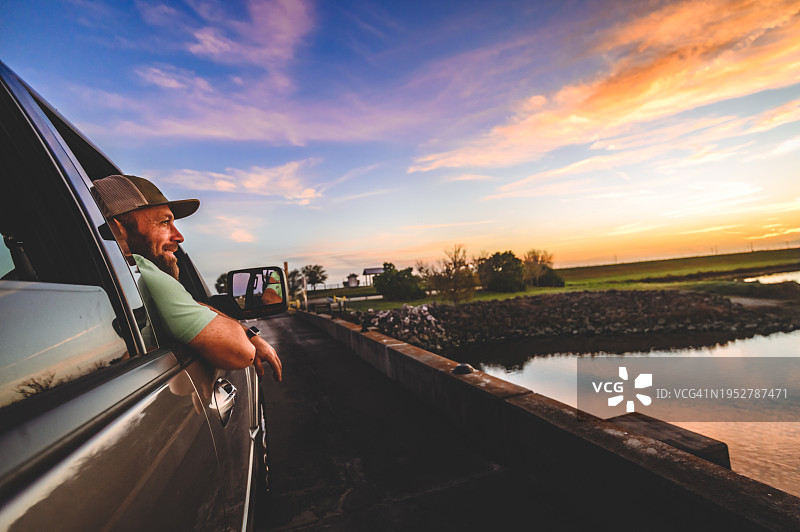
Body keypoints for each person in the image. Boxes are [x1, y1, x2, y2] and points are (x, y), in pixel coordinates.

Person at [91, 174, 281, 381]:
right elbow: (241, 353)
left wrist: (249, 333)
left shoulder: (117, 281)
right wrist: (247, 337)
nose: (179, 237)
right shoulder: (141, 269)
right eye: (165, 222)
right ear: (116, 230)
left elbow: (190, 306)